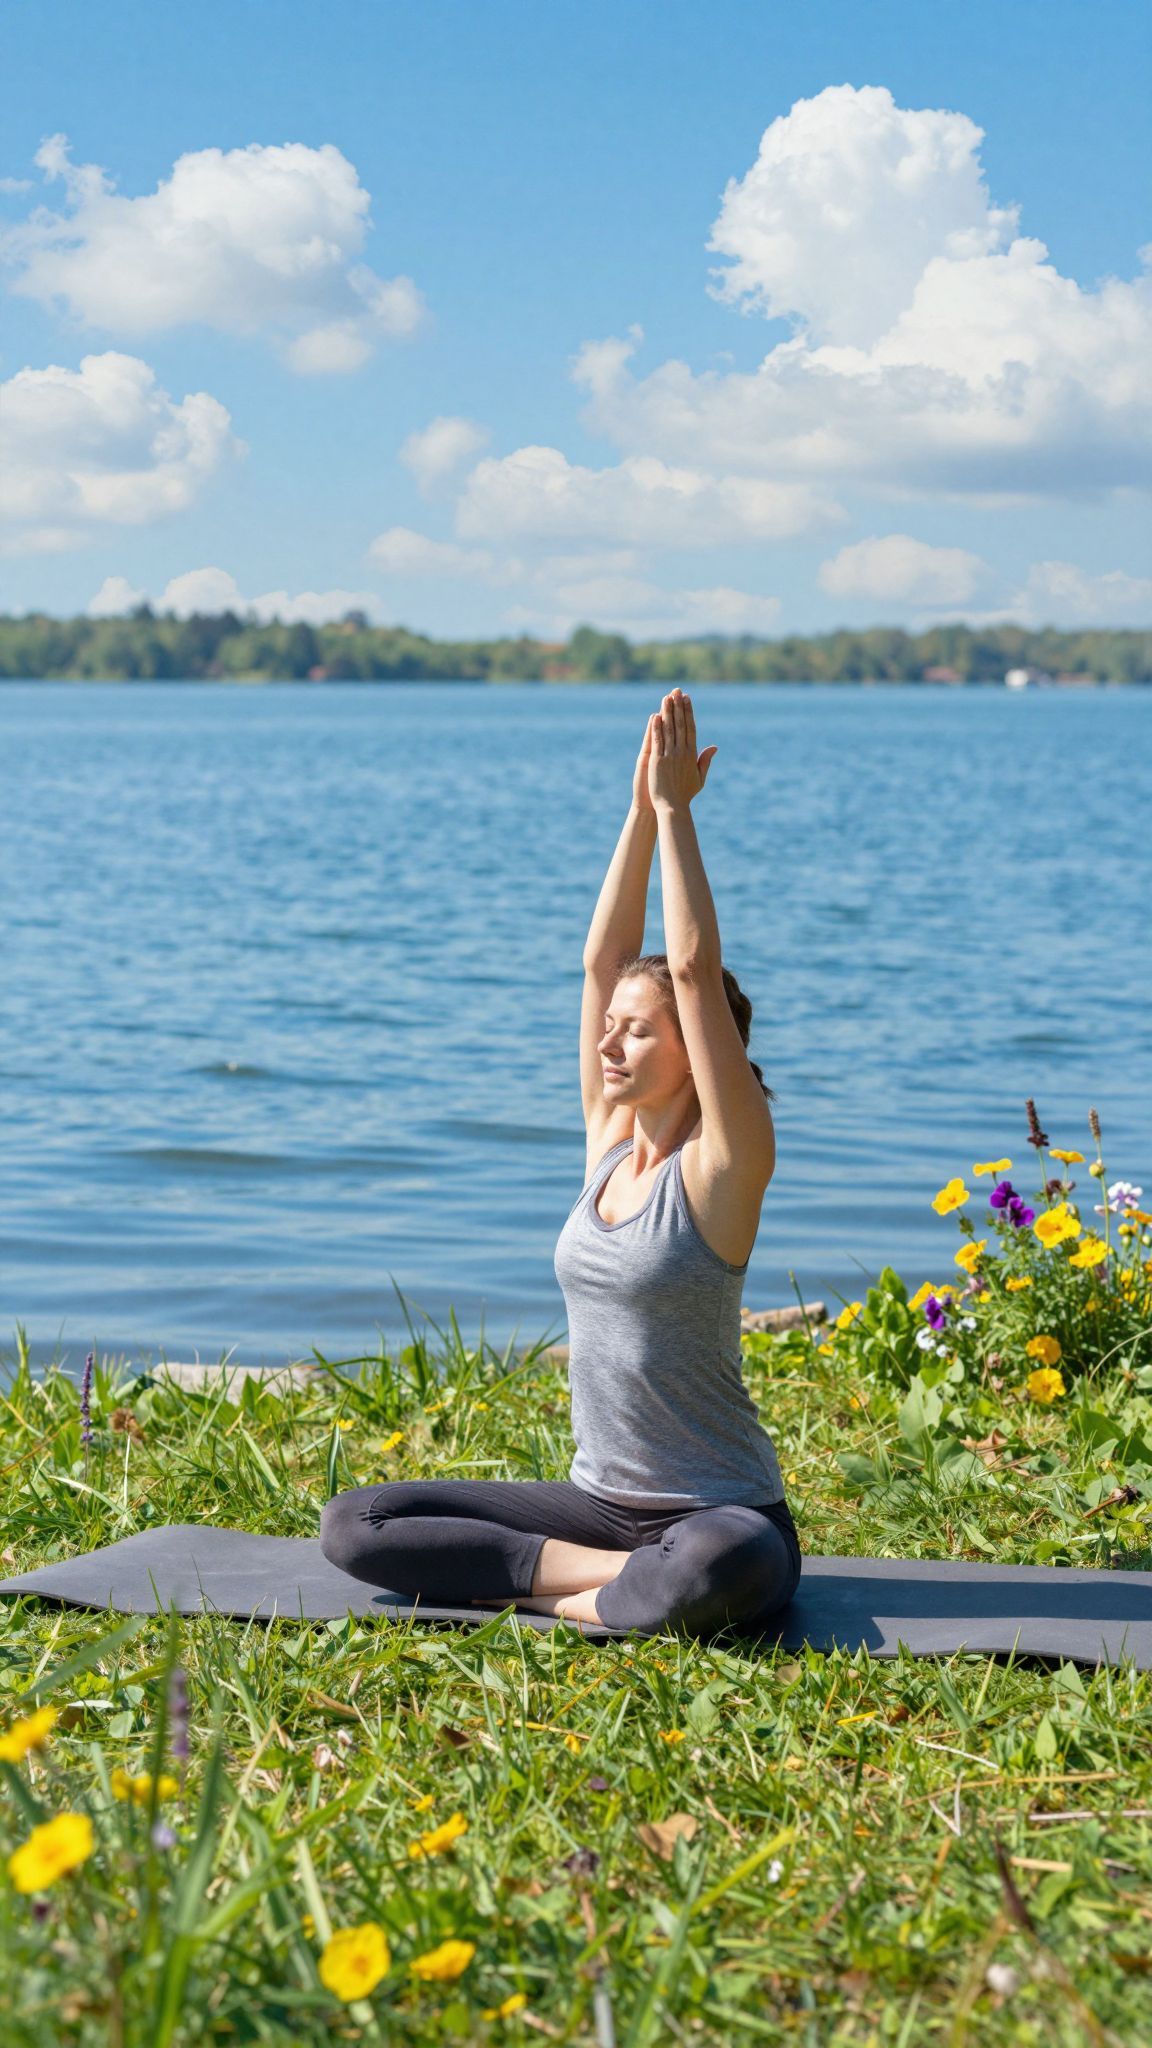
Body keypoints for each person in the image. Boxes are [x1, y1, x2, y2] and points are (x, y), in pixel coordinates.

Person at [319, 689, 801, 1639]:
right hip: (598, 1509)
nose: (611, 1046)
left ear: (699, 1054)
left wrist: (675, 816)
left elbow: (694, 972)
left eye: (639, 1032)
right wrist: (632, 813)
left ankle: (548, 1588)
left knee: (724, 1563)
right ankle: (610, 1589)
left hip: (718, 1511)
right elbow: (602, 960)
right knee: (357, 1522)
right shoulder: (607, 1142)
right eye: (609, 1031)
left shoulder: (722, 1169)